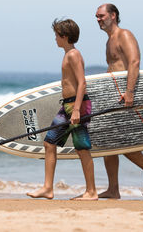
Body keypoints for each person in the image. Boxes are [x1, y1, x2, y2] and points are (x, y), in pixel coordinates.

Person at [95, 3, 143, 198]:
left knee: (122, 142)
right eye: (97, 17)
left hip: (127, 96)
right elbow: (114, 68)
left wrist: (130, 92)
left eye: (101, 16)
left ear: (113, 15)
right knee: (109, 143)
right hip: (115, 96)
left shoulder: (124, 35)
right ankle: (113, 189)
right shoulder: (109, 41)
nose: (98, 20)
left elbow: (134, 62)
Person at [27, 19, 98, 201]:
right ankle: (48, 188)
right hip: (68, 105)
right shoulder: (68, 54)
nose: (55, 39)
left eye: (57, 35)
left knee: (82, 148)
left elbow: (82, 83)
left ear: (64, 36)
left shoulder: (73, 54)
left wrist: (76, 110)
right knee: (50, 143)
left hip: (76, 106)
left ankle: (91, 192)